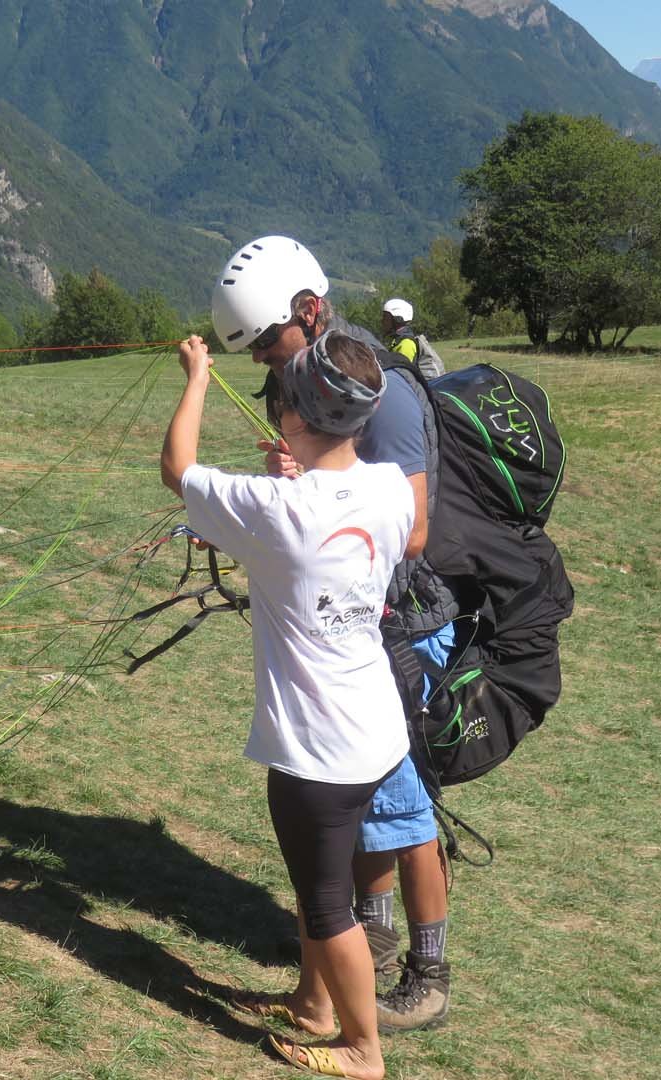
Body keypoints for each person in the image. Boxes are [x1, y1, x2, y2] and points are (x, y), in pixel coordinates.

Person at [213, 236, 457, 1034]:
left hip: (401, 626)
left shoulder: (383, 394)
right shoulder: (320, 386)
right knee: (366, 810)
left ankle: (429, 975)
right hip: (356, 626)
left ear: (311, 312)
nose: (264, 365)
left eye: (269, 343)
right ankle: (367, 945)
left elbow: (413, 532)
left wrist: (314, 518)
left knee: (406, 811)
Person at [163, 326, 413, 1080]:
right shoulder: (390, 487)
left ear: (295, 414)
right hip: (374, 728)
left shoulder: (277, 508)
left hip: (318, 750)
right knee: (317, 880)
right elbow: (336, 510)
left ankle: (362, 1048)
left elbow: (178, 469)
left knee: (329, 903)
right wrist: (300, 468)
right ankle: (313, 1004)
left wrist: (197, 375)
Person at [381, 298, 443, 380]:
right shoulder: (398, 340)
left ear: (397, 319)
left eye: (386, 317)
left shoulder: (406, 343)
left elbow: (401, 374)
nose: (382, 321)